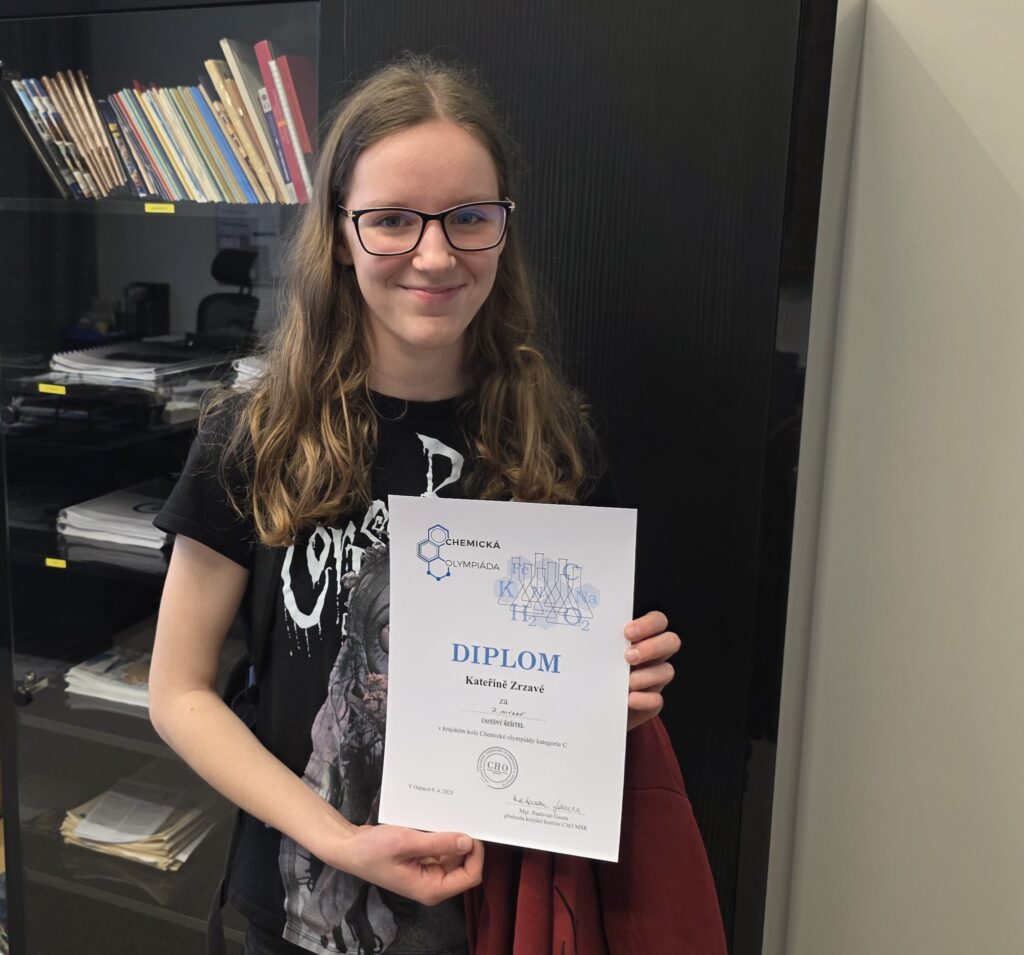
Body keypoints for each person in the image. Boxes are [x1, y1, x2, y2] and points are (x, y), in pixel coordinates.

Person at [149, 54, 681, 955]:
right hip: (291, 919)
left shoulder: (556, 447)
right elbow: (178, 691)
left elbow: (564, 707)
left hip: (493, 923)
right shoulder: (254, 434)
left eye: (469, 217)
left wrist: (609, 699)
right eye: (393, 219)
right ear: (340, 234)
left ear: (502, 230)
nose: (435, 255)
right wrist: (337, 838)